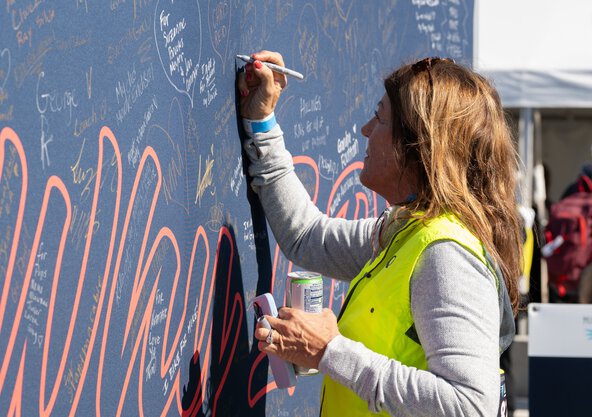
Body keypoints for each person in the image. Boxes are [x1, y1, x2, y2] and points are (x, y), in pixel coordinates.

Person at [238, 51, 522, 416]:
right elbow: (308, 236)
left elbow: (470, 406)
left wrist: (330, 351)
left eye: (380, 118)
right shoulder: (407, 232)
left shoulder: (446, 255)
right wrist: (262, 123)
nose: (366, 130)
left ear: (417, 148)